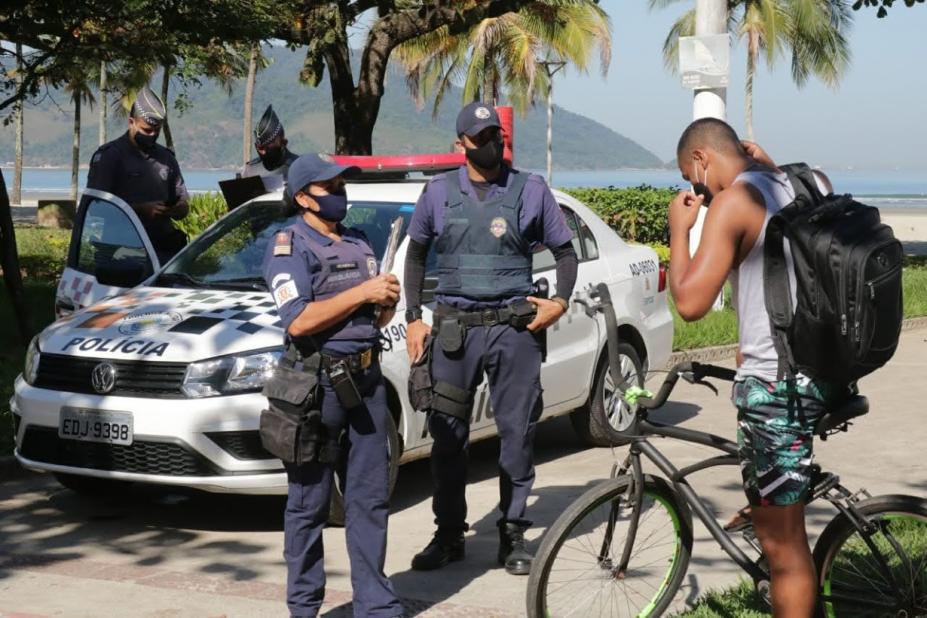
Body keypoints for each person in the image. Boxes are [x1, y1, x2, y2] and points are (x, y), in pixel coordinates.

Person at [669, 118, 841, 617]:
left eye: (689, 176)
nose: (693, 189)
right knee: (779, 516)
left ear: (702, 159)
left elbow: (690, 303)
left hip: (777, 389)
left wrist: (679, 231)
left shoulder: (733, 204)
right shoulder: (810, 180)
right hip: (826, 369)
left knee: (785, 553)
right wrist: (769, 164)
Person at [403, 102, 579, 575]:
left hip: (512, 329)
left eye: (495, 134)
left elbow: (565, 252)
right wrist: (414, 317)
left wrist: (559, 302)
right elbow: (416, 256)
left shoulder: (530, 191)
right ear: (461, 144)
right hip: (455, 331)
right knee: (447, 438)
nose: (491, 144)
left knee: (517, 435)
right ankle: (449, 535)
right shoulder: (438, 195)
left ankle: (513, 533)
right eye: (480, 138)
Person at [263, 153, 403, 618]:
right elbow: (299, 321)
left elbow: (372, 317)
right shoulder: (289, 246)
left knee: (369, 499)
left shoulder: (359, 241)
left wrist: (384, 299)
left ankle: (375, 603)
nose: (340, 192)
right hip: (317, 387)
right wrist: (363, 293)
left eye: (342, 184)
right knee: (310, 502)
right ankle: (304, 607)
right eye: (330, 186)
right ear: (303, 197)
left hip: (365, 381)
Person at [86, 86, 189, 263]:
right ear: (131, 122)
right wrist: (139, 209)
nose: (152, 135)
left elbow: (183, 205)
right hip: (119, 249)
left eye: (156, 131)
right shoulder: (110, 156)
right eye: (146, 130)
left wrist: (175, 208)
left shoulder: (166, 158)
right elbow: (95, 208)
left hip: (161, 249)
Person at [241, 104, 299, 192]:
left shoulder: (299, 167)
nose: (262, 153)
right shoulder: (250, 170)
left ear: (283, 143)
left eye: (267, 148)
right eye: (259, 148)